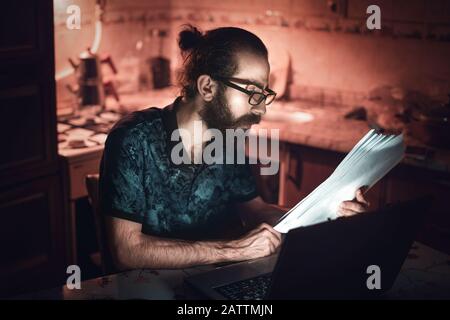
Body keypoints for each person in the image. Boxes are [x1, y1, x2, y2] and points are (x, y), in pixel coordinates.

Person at [99, 25, 369, 270]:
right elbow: (127, 251)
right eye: (252, 92)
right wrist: (231, 250)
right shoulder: (133, 140)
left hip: (211, 286)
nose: (261, 108)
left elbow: (255, 212)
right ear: (207, 87)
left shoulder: (227, 139)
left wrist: (323, 218)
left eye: (264, 95)